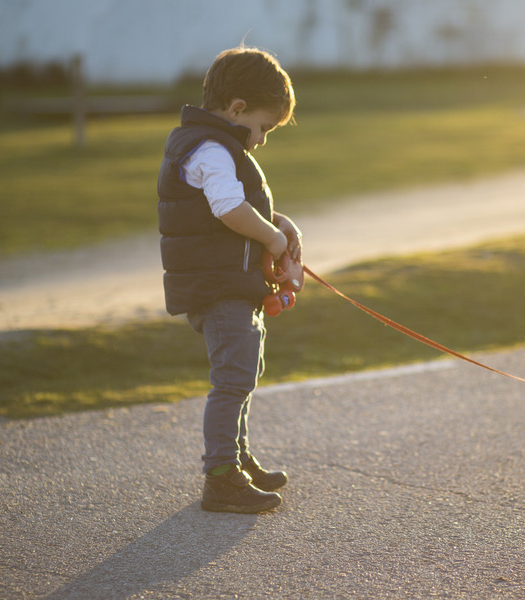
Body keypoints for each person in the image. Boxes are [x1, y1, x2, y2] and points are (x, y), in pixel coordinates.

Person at [157, 47, 302, 514]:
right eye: (261, 127)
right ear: (236, 108)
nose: (260, 140)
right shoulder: (210, 149)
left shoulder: (215, 146)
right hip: (217, 288)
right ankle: (221, 478)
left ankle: (235, 458)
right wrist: (275, 243)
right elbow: (229, 210)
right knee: (232, 379)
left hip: (230, 284)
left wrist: (280, 224)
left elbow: (236, 209)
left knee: (244, 372)